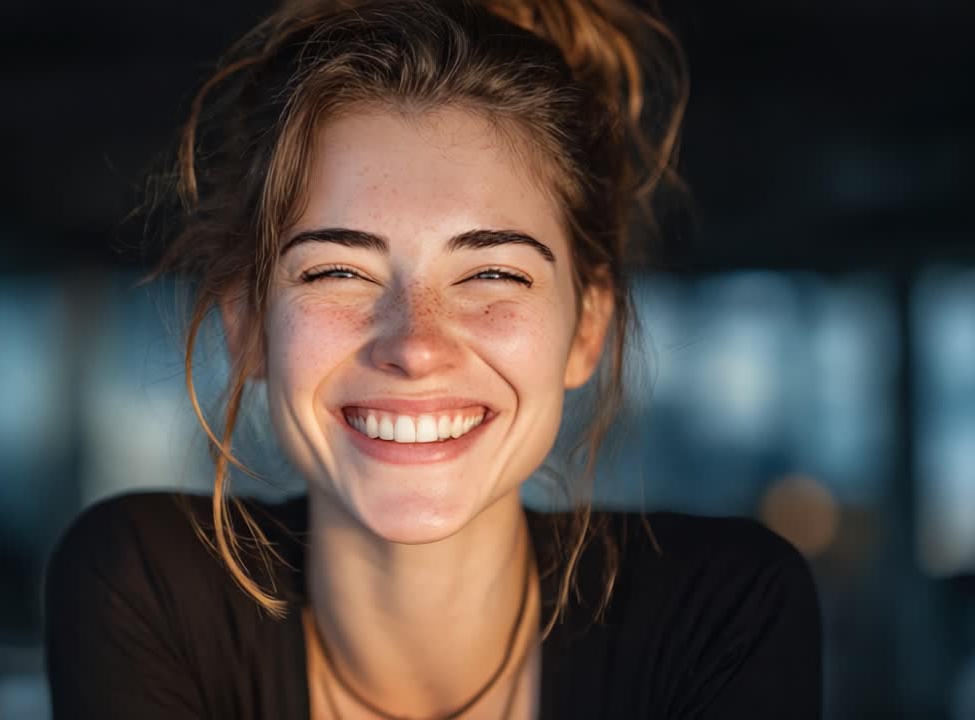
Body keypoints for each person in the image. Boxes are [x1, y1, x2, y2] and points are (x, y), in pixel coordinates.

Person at [44, 0, 823, 717]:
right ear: (245, 326)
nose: (414, 346)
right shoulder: (146, 585)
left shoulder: (720, 610)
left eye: (492, 274)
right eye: (337, 272)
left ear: (586, 330)